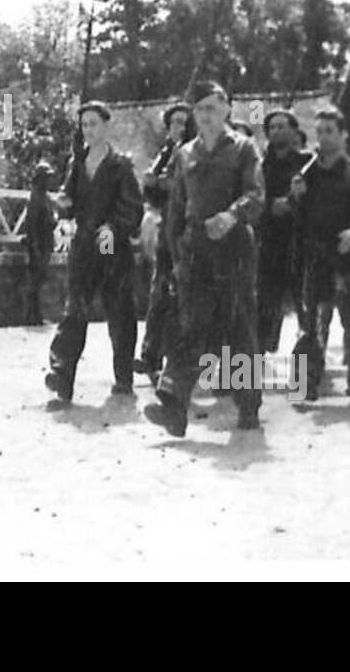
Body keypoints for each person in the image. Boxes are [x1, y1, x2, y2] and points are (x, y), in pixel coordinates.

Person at [153, 82, 265, 435]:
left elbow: (256, 194)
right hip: (196, 250)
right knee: (190, 325)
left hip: (233, 250)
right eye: (200, 109)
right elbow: (176, 207)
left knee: (240, 327)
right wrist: (174, 254)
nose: (206, 116)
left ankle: (248, 407)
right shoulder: (185, 154)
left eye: (213, 108)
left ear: (227, 111)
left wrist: (232, 215)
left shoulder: (245, 149)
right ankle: (174, 406)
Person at [44, 101, 144, 404]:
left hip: (109, 240)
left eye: (94, 124)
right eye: (84, 125)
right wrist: (63, 204)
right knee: (75, 307)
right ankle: (62, 375)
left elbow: (133, 208)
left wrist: (115, 227)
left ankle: (123, 377)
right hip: (86, 242)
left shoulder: (120, 165)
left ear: (106, 126)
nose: (89, 130)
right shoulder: (77, 163)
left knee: (119, 309)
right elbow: (71, 202)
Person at [288, 107, 350, 399]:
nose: (324, 138)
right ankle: (306, 383)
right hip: (318, 257)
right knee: (312, 324)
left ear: (343, 135)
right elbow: (297, 219)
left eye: (330, 131)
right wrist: (296, 197)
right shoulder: (307, 172)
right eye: (320, 132)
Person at [135, 102, 193, 384]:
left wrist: (162, 184)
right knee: (159, 295)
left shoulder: (195, 153)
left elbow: (187, 190)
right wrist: (151, 183)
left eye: (184, 122)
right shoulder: (167, 153)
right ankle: (150, 356)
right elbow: (153, 196)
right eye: (174, 123)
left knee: (184, 301)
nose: (179, 128)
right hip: (167, 234)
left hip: (189, 236)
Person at [257, 109, 312, 354]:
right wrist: (271, 206)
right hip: (269, 242)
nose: (277, 131)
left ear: (294, 131)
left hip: (302, 241)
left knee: (307, 307)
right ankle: (253, 365)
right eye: (272, 127)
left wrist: (296, 200)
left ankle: (309, 368)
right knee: (264, 304)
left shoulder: (307, 163)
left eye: (282, 126)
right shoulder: (259, 165)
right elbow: (251, 197)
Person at [23, 161, 58, 325]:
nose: (49, 181)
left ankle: (36, 315)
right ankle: (32, 315)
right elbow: (31, 224)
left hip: (45, 243)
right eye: (46, 178)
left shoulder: (45, 198)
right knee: (35, 281)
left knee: (39, 279)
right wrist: (34, 247)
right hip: (39, 244)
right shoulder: (36, 198)